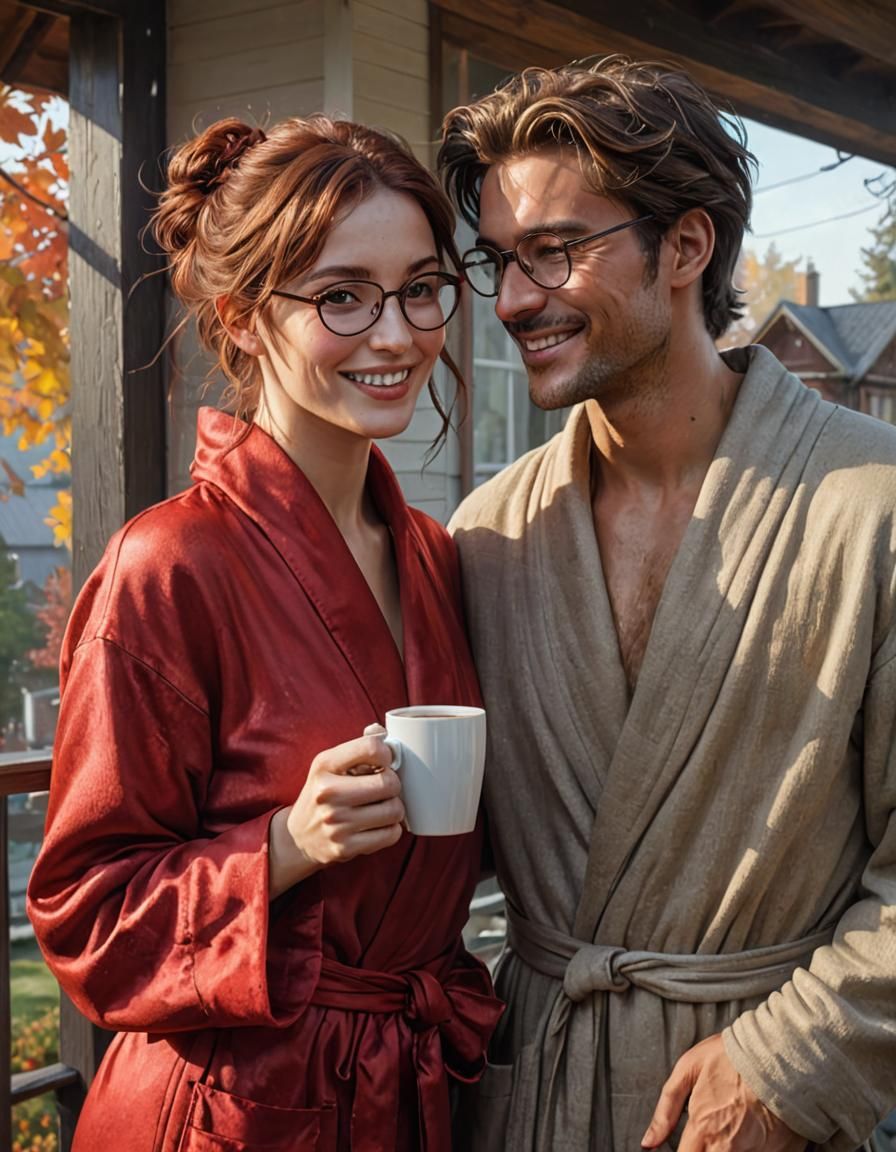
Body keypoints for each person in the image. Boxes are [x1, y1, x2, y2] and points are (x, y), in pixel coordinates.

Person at [438, 56, 896, 1152]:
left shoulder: (870, 507)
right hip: (532, 1098)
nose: (509, 301)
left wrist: (787, 1064)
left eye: (552, 252)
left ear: (683, 247)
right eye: (498, 261)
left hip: (754, 1108)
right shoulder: (489, 540)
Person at [27, 115, 502, 1152]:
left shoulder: (429, 553)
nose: (396, 333)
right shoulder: (169, 565)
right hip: (229, 1112)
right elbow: (81, 915)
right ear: (243, 318)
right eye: (341, 296)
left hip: (405, 1094)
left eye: (422, 287)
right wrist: (282, 847)